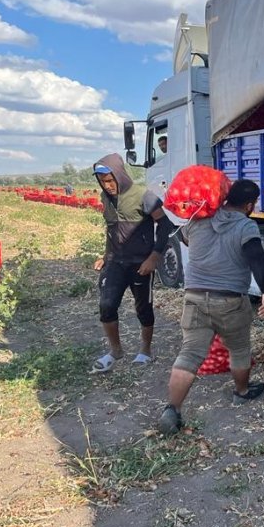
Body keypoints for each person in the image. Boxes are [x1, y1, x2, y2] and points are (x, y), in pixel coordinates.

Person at [158, 179, 264, 434]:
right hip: (230, 301)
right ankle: (241, 392)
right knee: (239, 348)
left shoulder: (199, 219)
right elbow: (257, 258)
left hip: (194, 298)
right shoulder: (246, 225)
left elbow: (184, 238)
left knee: (190, 353)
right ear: (250, 205)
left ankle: (172, 409)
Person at [91, 154, 173, 372]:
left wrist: (154, 257)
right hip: (115, 262)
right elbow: (112, 230)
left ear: (120, 175)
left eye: (110, 181)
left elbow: (165, 225)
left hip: (141, 264)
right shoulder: (106, 198)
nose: (107, 186)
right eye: (102, 182)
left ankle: (145, 350)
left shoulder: (144, 196)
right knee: (107, 306)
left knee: (143, 308)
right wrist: (105, 256)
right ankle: (115, 351)